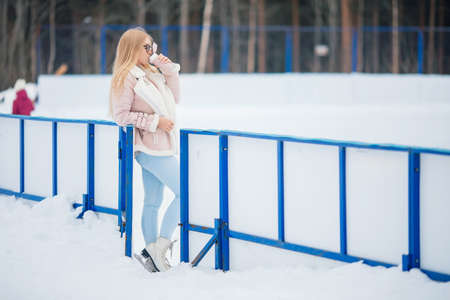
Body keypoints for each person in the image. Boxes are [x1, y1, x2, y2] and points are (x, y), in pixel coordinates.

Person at [109, 27, 181, 273]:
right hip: (148, 148)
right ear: (132, 49)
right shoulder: (126, 76)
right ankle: (160, 246)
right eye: (147, 47)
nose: (152, 51)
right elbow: (120, 116)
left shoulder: (152, 74)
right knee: (187, 193)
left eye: (153, 46)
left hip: (163, 145)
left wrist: (169, 70)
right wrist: (154, 122)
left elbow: (175, 99)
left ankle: (152, 254)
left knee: (153, 200)